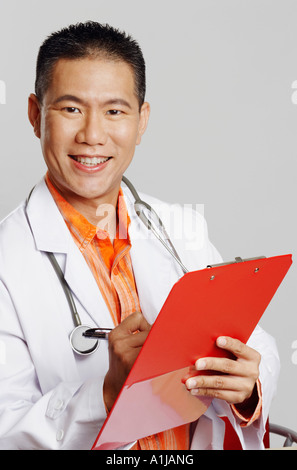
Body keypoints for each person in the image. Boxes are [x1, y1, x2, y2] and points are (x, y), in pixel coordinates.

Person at [0, 21, 279, 450]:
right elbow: (7, 431)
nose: (93, 135)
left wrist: (249, 384)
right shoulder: (8, 259)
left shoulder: (180, 228)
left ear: (142, 120)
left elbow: (253, 339)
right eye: (71, 109)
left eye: (115, 111)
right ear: (36, 115)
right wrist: (105, 394)